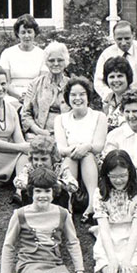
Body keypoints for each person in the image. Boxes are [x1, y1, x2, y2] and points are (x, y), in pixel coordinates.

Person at [55, 77, 107, 219]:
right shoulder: (60, 119)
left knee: (88, 155)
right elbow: (61, 148)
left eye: (82, 94)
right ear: (68, 97)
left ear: (88, 96)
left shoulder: (99, 116)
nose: (78, 98)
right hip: (68, 159)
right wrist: (75, 150)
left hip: (93, 161)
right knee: (71, 158)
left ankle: (92, 203)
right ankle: (69, 202)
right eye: (73, 94)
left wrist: (86, 147)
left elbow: (98, 146)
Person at [93, 19, 137, 98]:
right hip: (114, 100)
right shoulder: (107, 54)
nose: (123, 43)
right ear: (114, 37)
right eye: (119, 39)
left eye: (127, 38)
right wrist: (111, 96)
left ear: (133, 35)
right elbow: (98, 81)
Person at [21, 41, 70, 141]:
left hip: (67, 135)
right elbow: (25, 114)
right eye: (51, 60)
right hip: (39, 134)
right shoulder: (35, 84)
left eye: (60, 60)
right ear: (46, 62)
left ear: (65, 62)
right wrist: (38, 131)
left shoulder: (72, 85)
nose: (56, 64)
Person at [12, 136, 78, 207]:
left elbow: (74, 186)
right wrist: (33, 184)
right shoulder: (29, 168)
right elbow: (18, 181)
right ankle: (30, 214)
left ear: (52, 158)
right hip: (34, 203)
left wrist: (56, 184)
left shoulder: (59, 168)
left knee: (63, 192)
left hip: (55, 203)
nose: (39, 163)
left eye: (44, 159)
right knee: (25, 191)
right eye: (36, 159)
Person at [0, 14, 45, 101]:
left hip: (35, 95)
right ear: (17, 34)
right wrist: (19, 96)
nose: (26, 36)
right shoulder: (7, 53)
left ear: (35, 33)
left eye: (29, 32)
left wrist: (30, 97)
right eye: (23, 32)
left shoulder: (43, 54)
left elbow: (42, 83)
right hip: (12, 95)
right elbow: (5, 83)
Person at [101, 56, 135, 130]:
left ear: (127, 77)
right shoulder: (107, 101)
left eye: (120, 76)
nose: (116, 80)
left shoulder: (135, 99)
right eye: (112, 77)